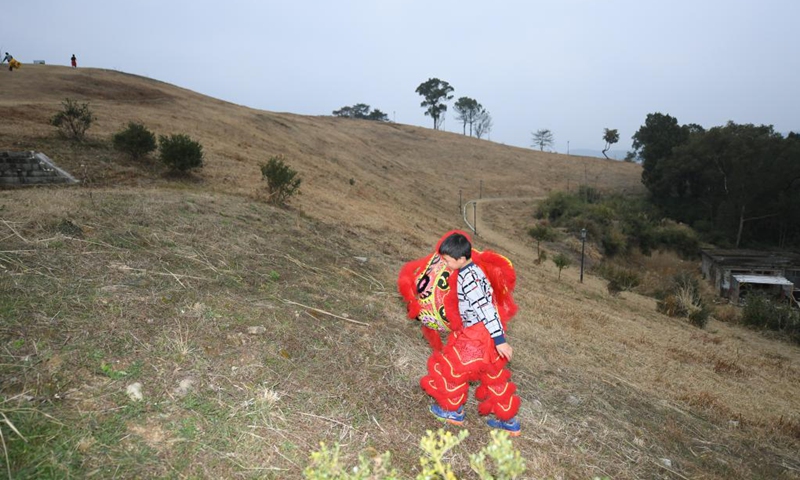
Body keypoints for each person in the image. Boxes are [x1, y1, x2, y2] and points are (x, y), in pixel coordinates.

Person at [419, 232, 522, 435]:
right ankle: (508, 421)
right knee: (493, 374)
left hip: (477, 335)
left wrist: (500, 341)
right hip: (484, 334)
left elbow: (486, 309)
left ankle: (452, 410)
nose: (446, 264)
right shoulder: (471, 269)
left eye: (448, 261)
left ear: (461, 259)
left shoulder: (469, 279)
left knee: (454, 367)